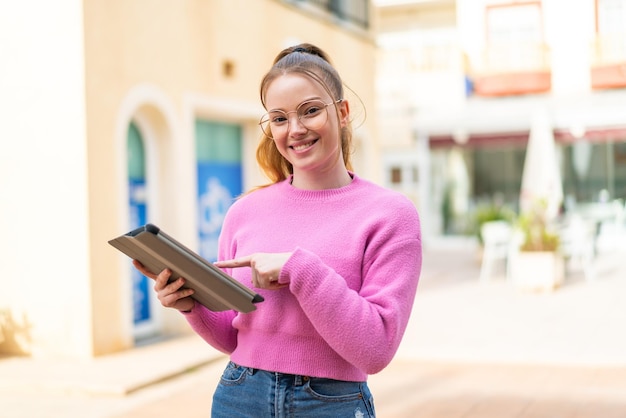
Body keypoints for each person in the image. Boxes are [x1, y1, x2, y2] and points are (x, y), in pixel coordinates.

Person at [133, 43, 422, 417]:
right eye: (280, 118)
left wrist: (300, 270)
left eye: (311, 111)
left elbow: (376, 348)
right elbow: (232, 334)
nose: (296, 129)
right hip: (240, 395)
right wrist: (191, 304)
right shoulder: (244, 211)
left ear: (343, 112)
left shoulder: (390, 214)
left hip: (330, 403)